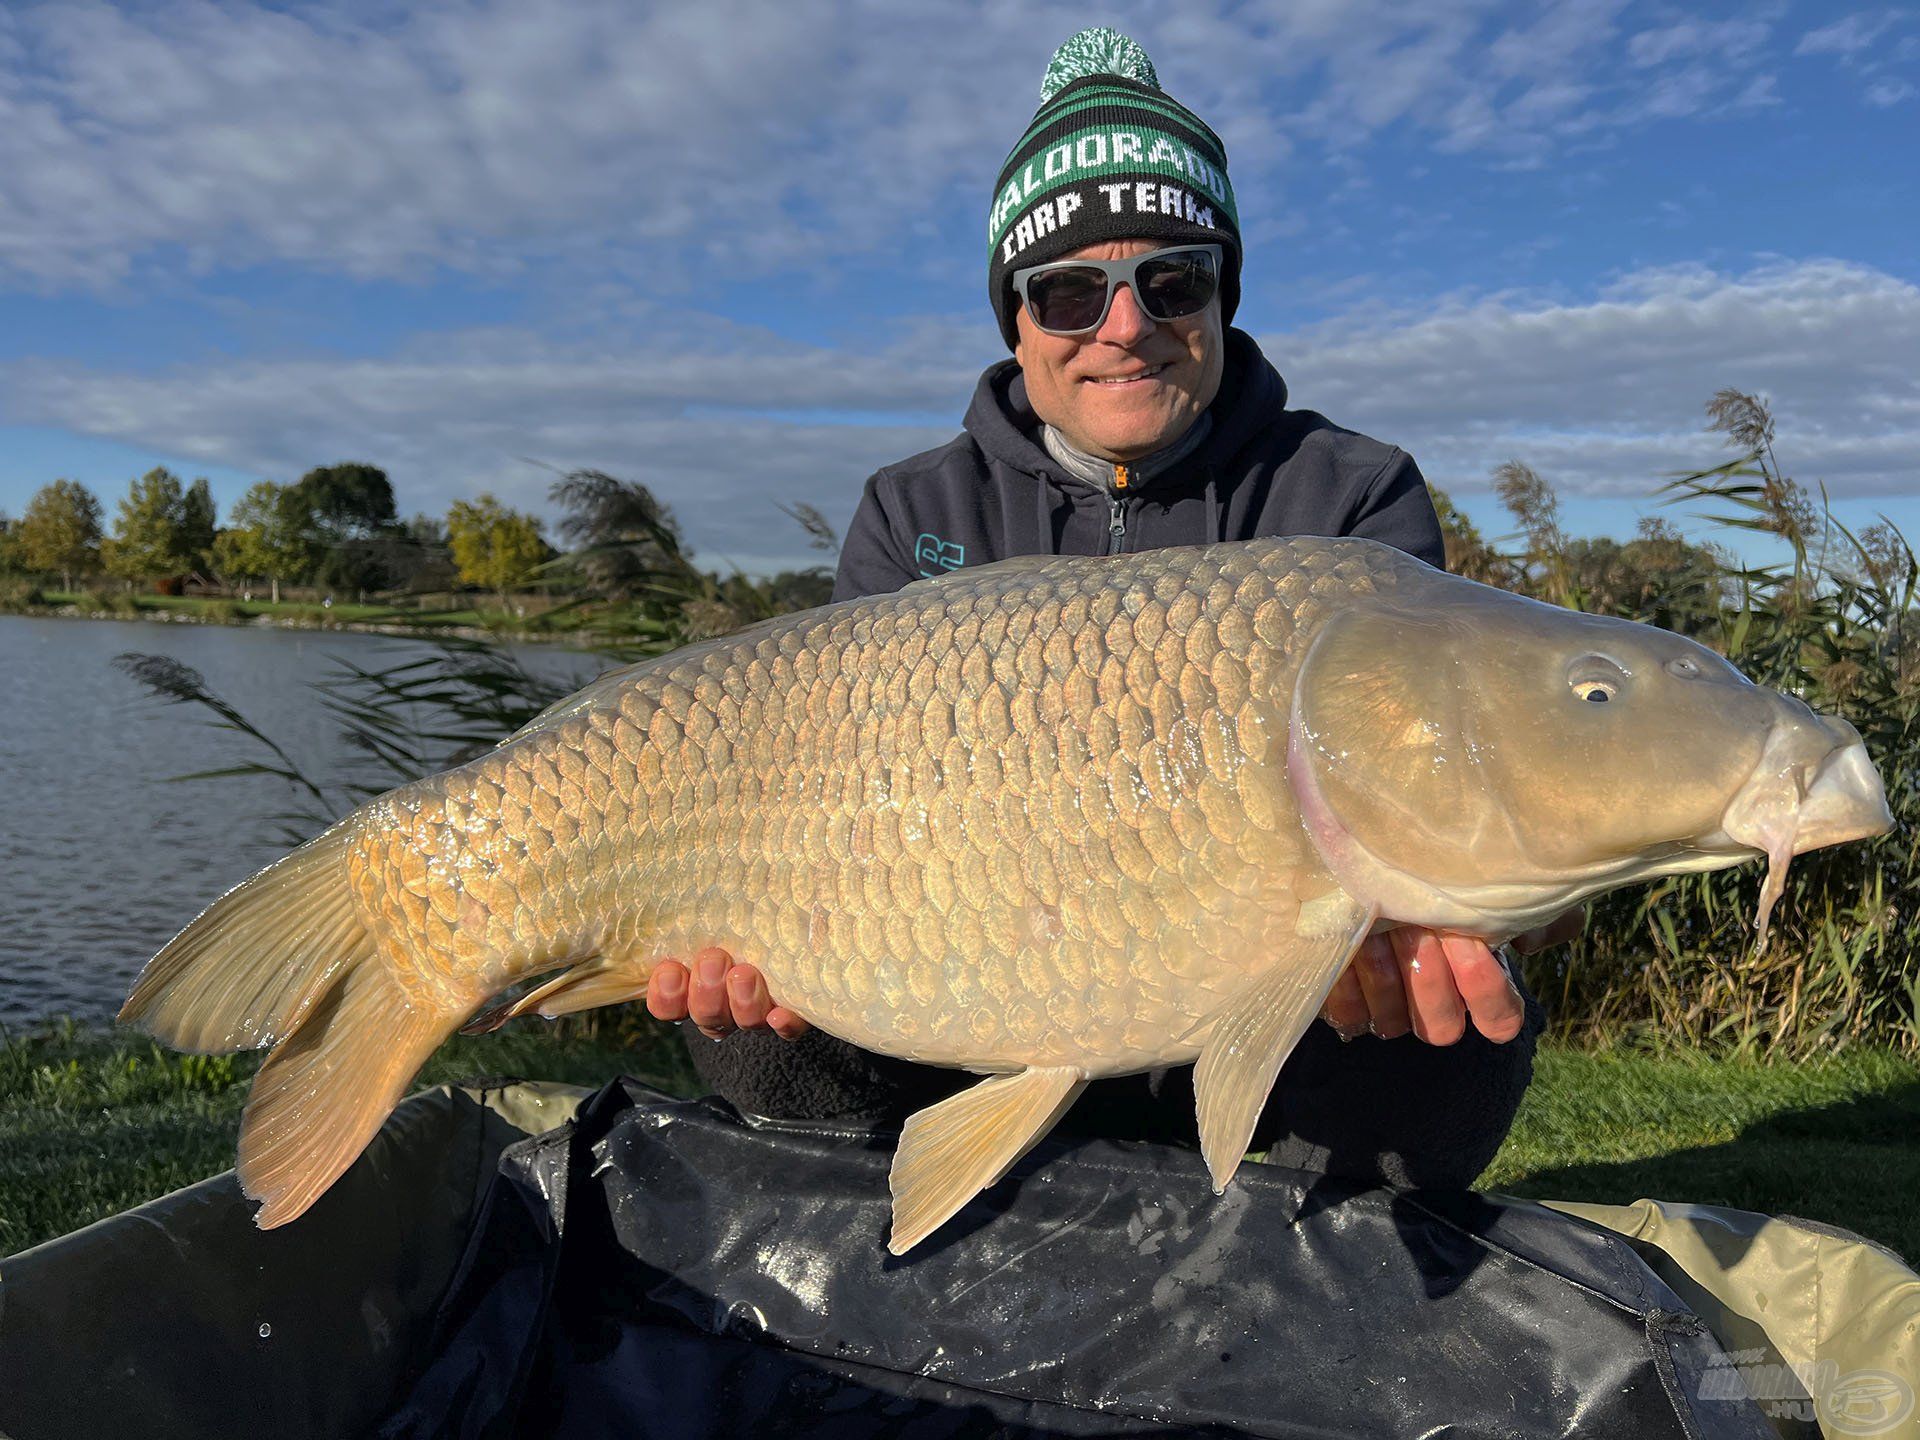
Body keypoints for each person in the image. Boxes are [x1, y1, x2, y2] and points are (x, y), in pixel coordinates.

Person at [645, 27, 1582, 1187]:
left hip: (1276, 1035)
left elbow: (1450, 797)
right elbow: (835, 798)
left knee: (1443, 1027)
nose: (1124, 326)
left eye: (1169, 281)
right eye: (1071, 291)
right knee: (742, 1021)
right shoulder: (912, 508)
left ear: (1223, 297)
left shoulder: (1348, 495)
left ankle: (1295, 1272)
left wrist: (1530, 891)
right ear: (1019, 322)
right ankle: (888, 1257)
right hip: (952, 1005)